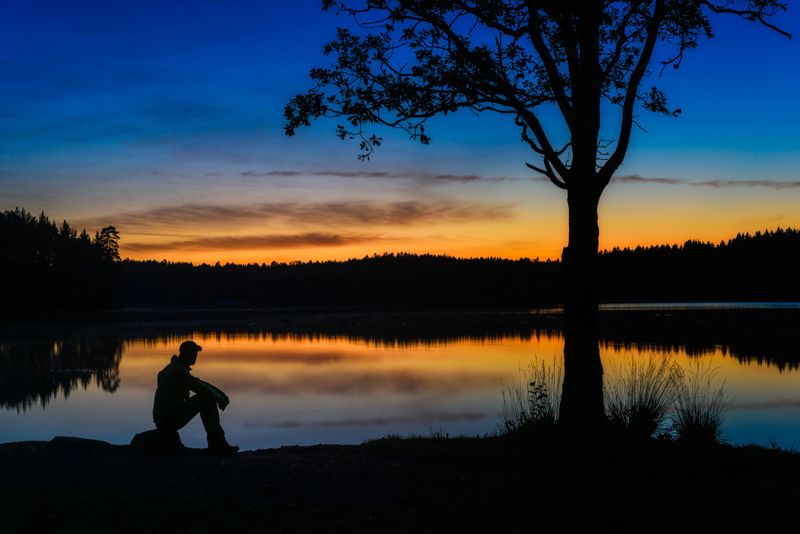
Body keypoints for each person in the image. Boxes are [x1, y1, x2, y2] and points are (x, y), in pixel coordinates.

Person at [153, 340, 239, 454]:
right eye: (195, 354)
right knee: (206, 399)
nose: (196, 357)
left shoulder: (176, 368)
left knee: (207, 397)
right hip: (168, 420)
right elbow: (200, 388)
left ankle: (218, 444)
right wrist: (220, 399)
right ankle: (218, 444)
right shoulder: (178, 371)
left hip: (166, 418)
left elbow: (200, 383)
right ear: (188, 354)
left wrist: (221, 395)